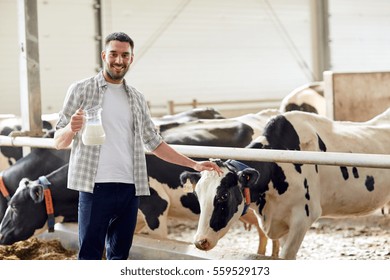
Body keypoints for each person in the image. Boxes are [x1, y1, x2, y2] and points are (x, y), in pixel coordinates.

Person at [54, 31, 222, 260]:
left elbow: (154, 143)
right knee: (90, 254)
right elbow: (58, 141)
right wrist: (71, 128)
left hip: (130, 189)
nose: (119, 60)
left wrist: (194, 165)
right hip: (95, 188)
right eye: (113, 54)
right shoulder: (81, 90)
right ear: (104, 55)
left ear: (131, 58)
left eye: (125, 55)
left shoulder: (136, 98)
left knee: (120, 254)